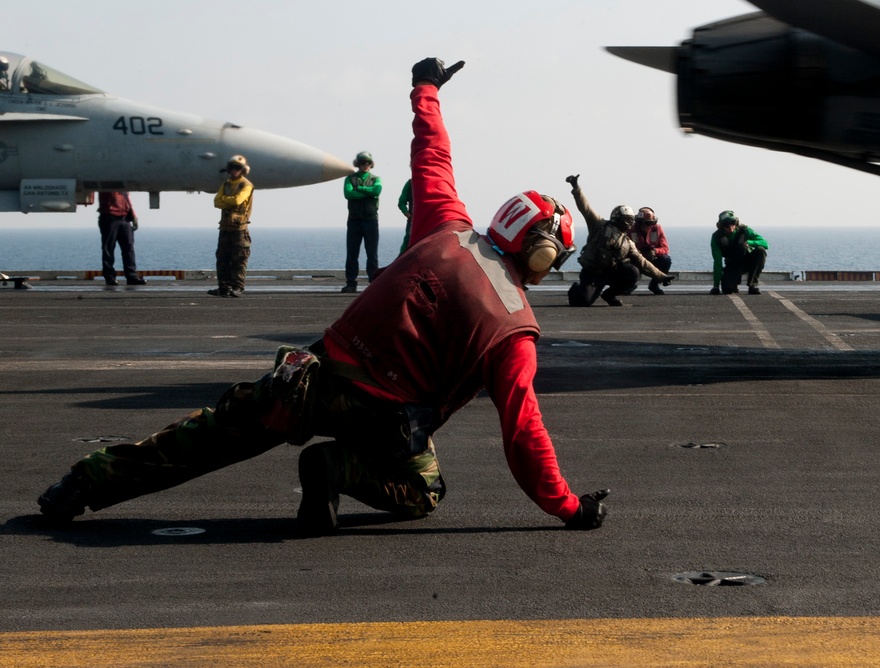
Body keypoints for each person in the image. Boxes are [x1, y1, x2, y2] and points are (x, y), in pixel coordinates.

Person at [37, 57, 608, 535]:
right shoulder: (513, 328)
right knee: (422, 488)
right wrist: (569, 506)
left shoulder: (445, 225)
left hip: (312, 376)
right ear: (540, 253)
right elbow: (523, 431)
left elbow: (431, 155)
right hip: (384, 422)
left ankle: (79, 485)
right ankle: (336, 469)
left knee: (209, 434)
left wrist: (426, 88)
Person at [565, 174, 673, 306]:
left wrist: (661, 277)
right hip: (592, 273)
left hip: (611, 272)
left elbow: (642, 262)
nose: (629, 223)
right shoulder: (599, 225)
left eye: (630, 220)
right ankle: (577, 288)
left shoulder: (627, 242)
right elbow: (585, 208)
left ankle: (609, 295)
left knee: (632, 272)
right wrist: (576, 188)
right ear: (618, 218)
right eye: (627, 220)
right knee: (582, 302)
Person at [210, 155, 254, 298]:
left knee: (239, 259)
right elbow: (216, 202)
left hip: (239, 230)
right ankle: (223, 287)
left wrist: (225, 200)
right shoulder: (226, 184)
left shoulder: (246, 185)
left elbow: (237, 200)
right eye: (233, 167)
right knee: (222, 258)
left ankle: (238, 288)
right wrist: (226, 200)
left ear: (243, 170)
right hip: (225, 228)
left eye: (238, 168)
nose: (235, 170)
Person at [341, 151, 382, 292]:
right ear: (357, 163)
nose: (365, 165)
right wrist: (367, 192)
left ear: (371, 164)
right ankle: (351, 283)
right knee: (352, 254)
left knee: (372, 254)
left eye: (368, 163)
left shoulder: (376, 179)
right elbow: (348, 194)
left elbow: (377, 191)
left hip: (371, 221)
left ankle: (374, 283)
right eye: (362, 162)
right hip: (354, 221)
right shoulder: (349, 179)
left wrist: (360, 188)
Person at [710, 210, 768, 295]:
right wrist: (716, 286)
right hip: (732, 264)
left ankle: (752, 285)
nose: (730, 226)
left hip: (747, 262)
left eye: (732, 222)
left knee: (760, 251)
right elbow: (717, 262)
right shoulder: (716, 238)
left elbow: (765, 244)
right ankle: (732, 284)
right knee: (727, 290)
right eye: (726, 224)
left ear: (736, 222)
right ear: (721, 226)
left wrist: (750, 242)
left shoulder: (745, 230)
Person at [97, 191, 146, 287]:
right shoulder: (106, 182)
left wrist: (133, 215)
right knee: (109, 248)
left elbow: (127, 199)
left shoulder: (123, 185)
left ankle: (131, 276)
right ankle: (110, 277)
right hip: (109, 216)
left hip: (124, 217)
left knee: (128, 248)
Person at [629, 207, 673, 295]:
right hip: (635, 259)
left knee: (666, 260)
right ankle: (629, 285)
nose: (644, 226)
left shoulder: (657, 228)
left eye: (648, 223)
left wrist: (655, 251)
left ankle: (654, 284)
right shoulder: (630, 229)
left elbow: (665, 248)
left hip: (652, 258)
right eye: (641, 223)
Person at [398, 178, 413, 254]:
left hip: (429, 220)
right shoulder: (410, 183)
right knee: (408, 241)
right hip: (413, 220)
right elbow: (401, 203)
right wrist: (409, 216)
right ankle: (400, 263)